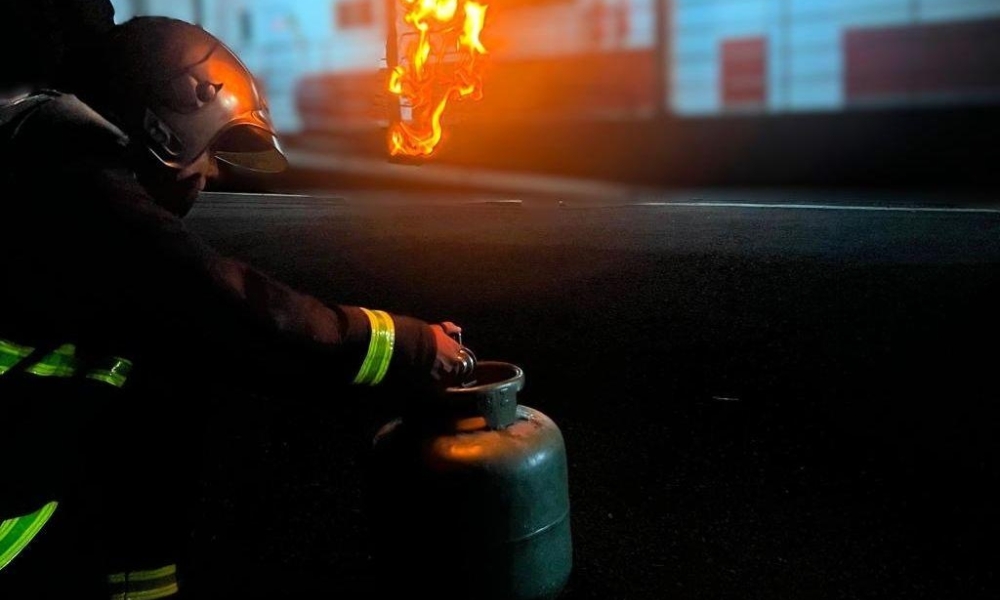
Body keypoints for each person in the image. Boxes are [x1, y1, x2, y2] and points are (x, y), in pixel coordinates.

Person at [0, 14, 472, 599]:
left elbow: (158, 412)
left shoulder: (40, 160)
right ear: (165, 129)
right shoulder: (63, 177)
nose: (214, 173)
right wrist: (409, 345)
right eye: (213, 148)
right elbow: (234, 309)